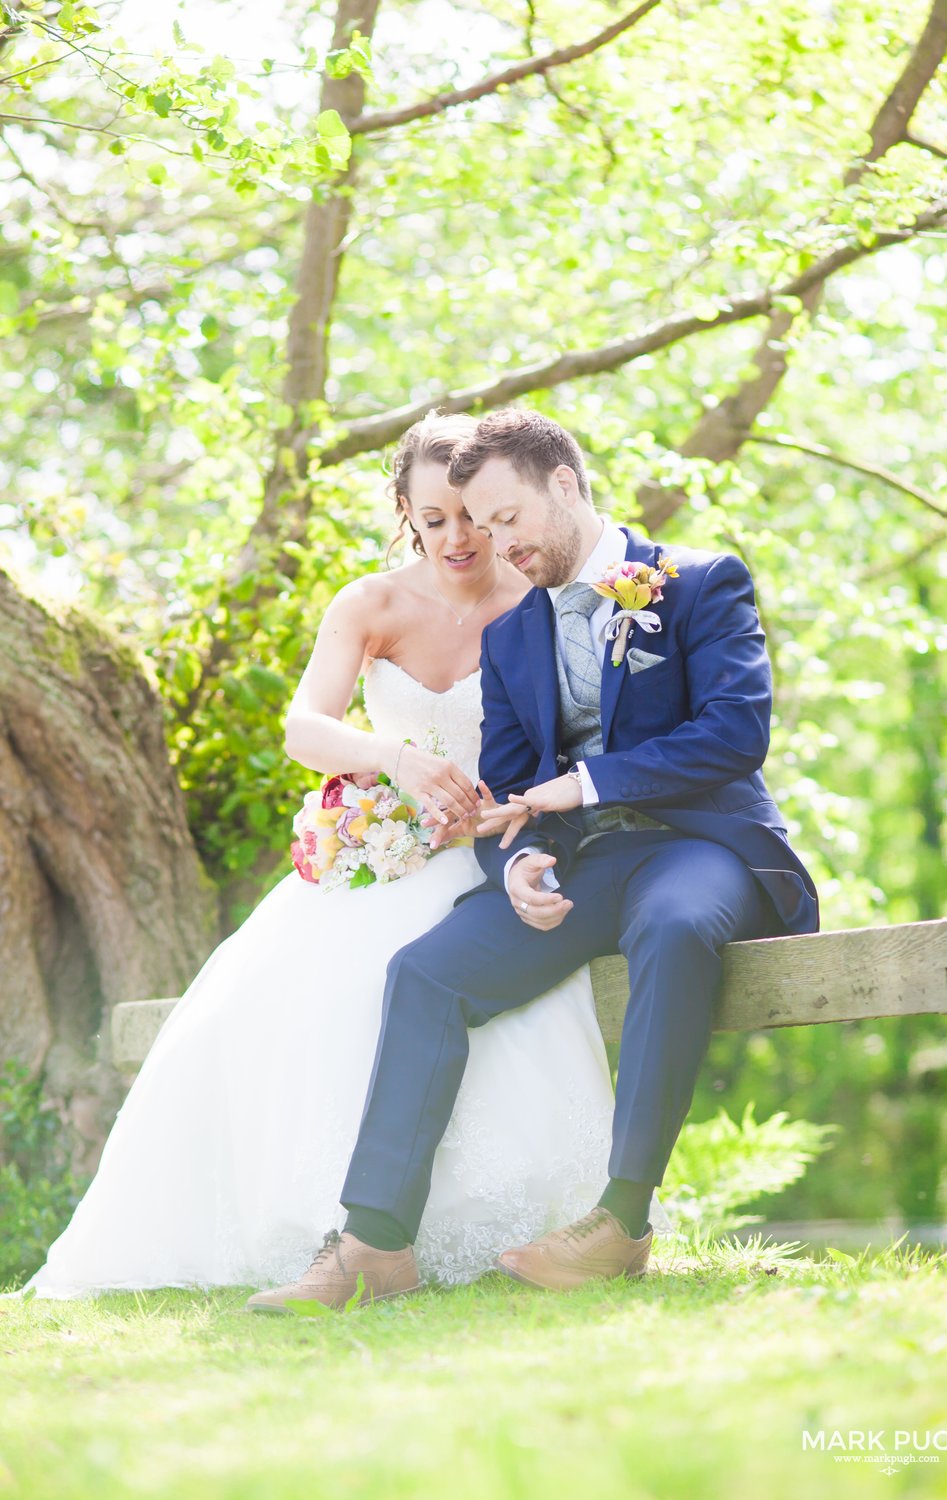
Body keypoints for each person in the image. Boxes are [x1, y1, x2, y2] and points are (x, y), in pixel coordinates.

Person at [21, 412, 620, 1299]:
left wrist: (519, 816)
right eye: (432, 519)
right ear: (406, 515)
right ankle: (333, 1232)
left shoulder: (534, 601)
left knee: (466, 993)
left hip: (494, 857)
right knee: (293, 1005)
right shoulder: (371, 603)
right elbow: (306, 727)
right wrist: (395, 760)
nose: (457, 538)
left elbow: (577, 742)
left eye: (470, 516)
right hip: (385, 856)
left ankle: (482, 1231)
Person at [246, 408, 819, 1312]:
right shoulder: (515, 633)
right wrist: (518, 864)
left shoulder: (700, 581)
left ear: (564, 484)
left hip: (699, 847)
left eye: (505, 519)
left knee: (672, 927)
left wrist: (587, 786)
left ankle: (622, 1223)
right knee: (428, 973)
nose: (492, 542)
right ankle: (374, 1247)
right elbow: (514, 776)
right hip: (580, 867)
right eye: (473, 523)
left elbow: (735, 734)